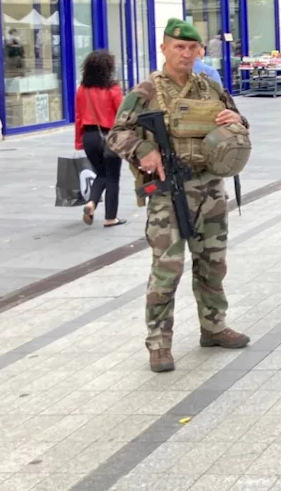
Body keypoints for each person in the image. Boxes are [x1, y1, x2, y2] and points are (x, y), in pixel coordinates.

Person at [107, 18, 252, 372]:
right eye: (178, 47)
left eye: (192, 48)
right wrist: (143, 150)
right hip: (168, 191)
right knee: (167, 268)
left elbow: (239, 123)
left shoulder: (209, 86)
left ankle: (214, 326)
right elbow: (116, 134)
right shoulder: (145, 92)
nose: (186, 54)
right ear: (164, 49)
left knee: (213, 263)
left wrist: (237, 118)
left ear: (200, 50)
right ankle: (158, 343)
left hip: (209, 186)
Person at [74, 50, 125, 228]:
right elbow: (122, 114)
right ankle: (111, 218)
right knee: (112, 177)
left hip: (89, 137)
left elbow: (79, 117)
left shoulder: (82, 90)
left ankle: (92, 203)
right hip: (110, 136)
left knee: (101, 173)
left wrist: (79, 141)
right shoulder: (113, 89)